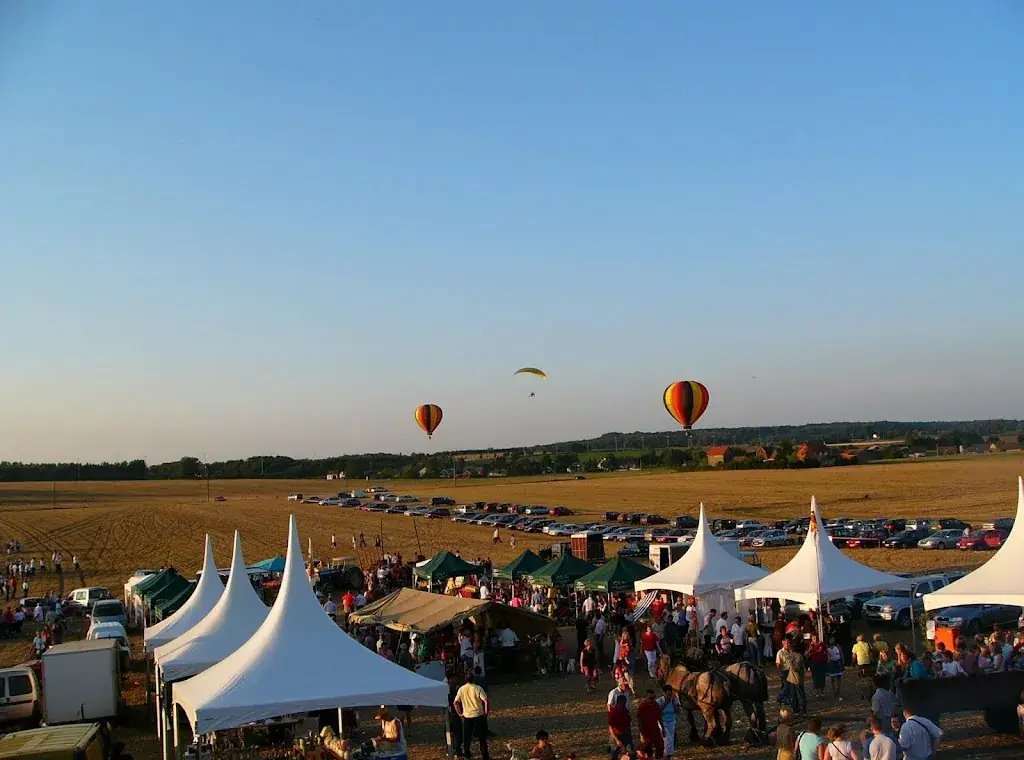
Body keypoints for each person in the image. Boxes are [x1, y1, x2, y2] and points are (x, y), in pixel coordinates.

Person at [454, 672, 490, 760]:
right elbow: (486, 701)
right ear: (473, 679)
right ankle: (485, 755)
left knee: (467, 737)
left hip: (467, 716)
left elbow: (455, 702)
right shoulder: (478, 688)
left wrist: (460, 713)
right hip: (478, 715)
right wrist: (486, 712)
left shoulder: (461, 689)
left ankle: (467, 755)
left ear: (465, 680)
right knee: (482, 737)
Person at [636, 690, 664, 759]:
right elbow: (640, 722)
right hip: (646, 732)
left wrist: (663, 728)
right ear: (646, 698)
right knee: (648, 751)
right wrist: (642, 734)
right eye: (650, 698)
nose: (652, 700)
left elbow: (659, 718)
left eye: (654, 697)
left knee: (660, 746)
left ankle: (658, 757)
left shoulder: (656, 705)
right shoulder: (642, 707)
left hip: (655, 730)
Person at [657, 684, 680, 758]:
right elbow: (657, 712)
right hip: (663, 723)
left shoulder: (674, 699)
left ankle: (667, 756)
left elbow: (678, 711)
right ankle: (666, 757)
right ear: (663, 693)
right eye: (667, 694)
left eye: (670, 694)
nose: (669, 695)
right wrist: (665, 704)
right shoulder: (660, 701)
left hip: (672, 722)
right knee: (667, 741)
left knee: (671, 741)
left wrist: (674, 704)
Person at [608, 694, 633, 760]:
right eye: (621, 704)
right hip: (616, 735)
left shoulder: (625, 711)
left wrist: (629, 734)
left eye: (623, 704)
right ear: (618, 703)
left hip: (625, 734)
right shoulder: (613, 713)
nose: (622, 706)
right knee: (614, 754)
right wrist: (617, 740)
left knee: (631, 752)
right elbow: (610, 728)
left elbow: (628, 723)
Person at [786, 646, 807, 716]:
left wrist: (791, 663)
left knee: (800, 695)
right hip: (792, 679)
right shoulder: (793, 655)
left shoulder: (798, 657)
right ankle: (795, 709)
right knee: (794, 695)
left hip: (797, 679)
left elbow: (796, 668)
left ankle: (802, 710)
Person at [806, 634, 828, 699]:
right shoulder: (810, 645)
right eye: (813, 638)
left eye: (815, 637)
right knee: (815, 678)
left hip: (821, 662)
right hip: (814, 664)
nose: (815, 639)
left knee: (822, 677)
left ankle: (822, 691)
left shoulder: (821, 644)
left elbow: (826, 651)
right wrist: (809, 649)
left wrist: (828, 658)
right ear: (811, 639)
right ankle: (817, 692)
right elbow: (806, 655)